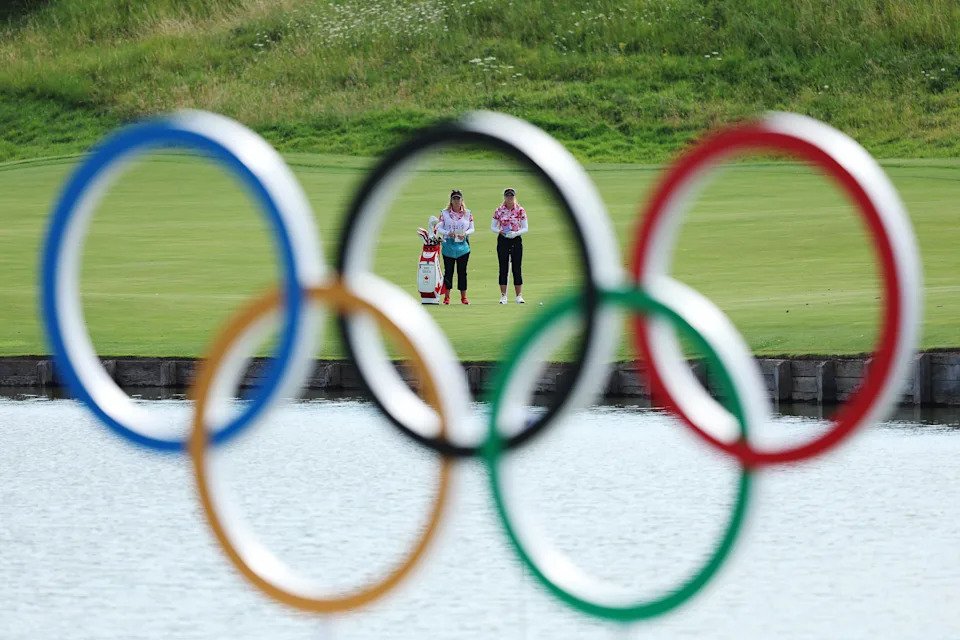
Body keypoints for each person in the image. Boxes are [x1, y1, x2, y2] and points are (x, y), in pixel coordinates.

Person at [436, 189, 475, 304]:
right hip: (448, 246)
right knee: (448, 272)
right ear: (451, 200)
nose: (456, 201)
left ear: (462, 200)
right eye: (454, 199)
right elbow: (439, 227)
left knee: (462, 272)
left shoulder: (467, 213)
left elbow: (472, 228)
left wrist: (465, 234)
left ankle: (464, 297)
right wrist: (448, 233)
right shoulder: (444, 213)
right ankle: (447, 297)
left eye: (458, 199)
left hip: (463, 247)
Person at [491, 187, 528, 304]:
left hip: (516, 239)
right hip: (503, 239)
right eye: (507, 196)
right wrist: (500, 231)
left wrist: (516, 233)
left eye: (511, 196)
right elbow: (493, 226)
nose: (509, 198)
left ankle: (519, 296)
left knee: (517, 267)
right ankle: (503, 296)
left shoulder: (520, 210)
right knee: (503, 267)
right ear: (504, 197)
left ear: (514, 197)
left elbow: (525, 227)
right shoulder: (499, 210)